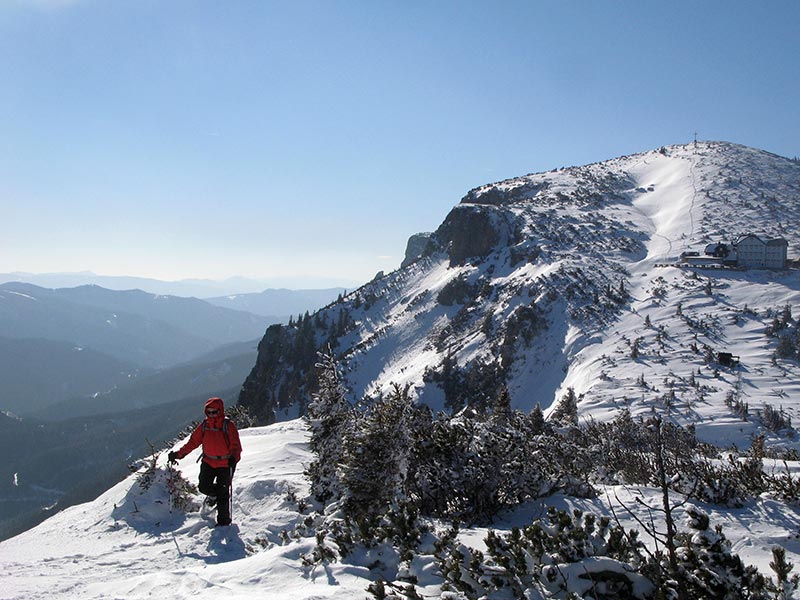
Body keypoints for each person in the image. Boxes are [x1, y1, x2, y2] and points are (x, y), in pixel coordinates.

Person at [168, 397, 242, 526]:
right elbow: (193, 443)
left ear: (220, 411)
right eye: (209, 412)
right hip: (208, 461)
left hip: (225, 464)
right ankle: (214, 496)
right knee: (203, 486)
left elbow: (236, 446)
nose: (212, 415)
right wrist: (178, 455)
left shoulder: (228, 425)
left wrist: (233, 458)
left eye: (215, 412)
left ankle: (224, 522)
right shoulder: (204, 425)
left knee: (223, 493)